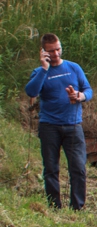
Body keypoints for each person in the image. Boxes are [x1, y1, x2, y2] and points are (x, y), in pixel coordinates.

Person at [25, 33, 92, 210]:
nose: (56, 54)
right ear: (43, 52)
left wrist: (80, 96)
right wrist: (44, 69)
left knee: (78, 167)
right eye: (51, 51)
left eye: (58, 49)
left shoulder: (73, 68)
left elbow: (88, 90)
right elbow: (31, 92)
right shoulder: (39, 72)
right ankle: (54, 206)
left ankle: (77, 207)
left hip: (73, 125)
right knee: (51, 168)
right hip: (49, 126)